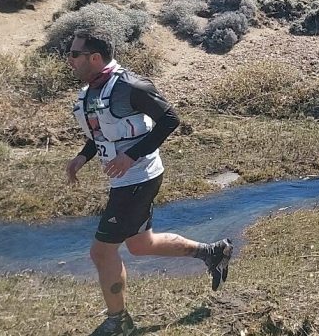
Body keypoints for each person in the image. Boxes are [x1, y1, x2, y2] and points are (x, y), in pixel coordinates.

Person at [65, 28, 233, 336]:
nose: (69, 60)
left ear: (95, 57)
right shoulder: (91, 90)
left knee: (101, 252)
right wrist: (82, 157)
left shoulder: (131, 85)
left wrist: (131, 157)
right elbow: (103, 133)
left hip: (138, 177)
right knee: (142, 244)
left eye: (74, 54)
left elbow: (170, 120)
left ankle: (119, 321)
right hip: (127, 180)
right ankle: (213, 252)